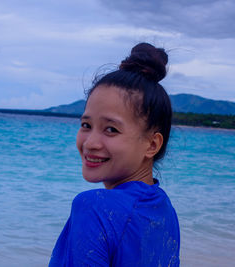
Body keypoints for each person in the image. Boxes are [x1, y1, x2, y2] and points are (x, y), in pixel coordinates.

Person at [49, 43, 180, 266]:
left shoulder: (94, 207)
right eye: (86, 125)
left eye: (111, 129)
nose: (90, 143)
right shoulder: (164, 210)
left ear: (152, 144)